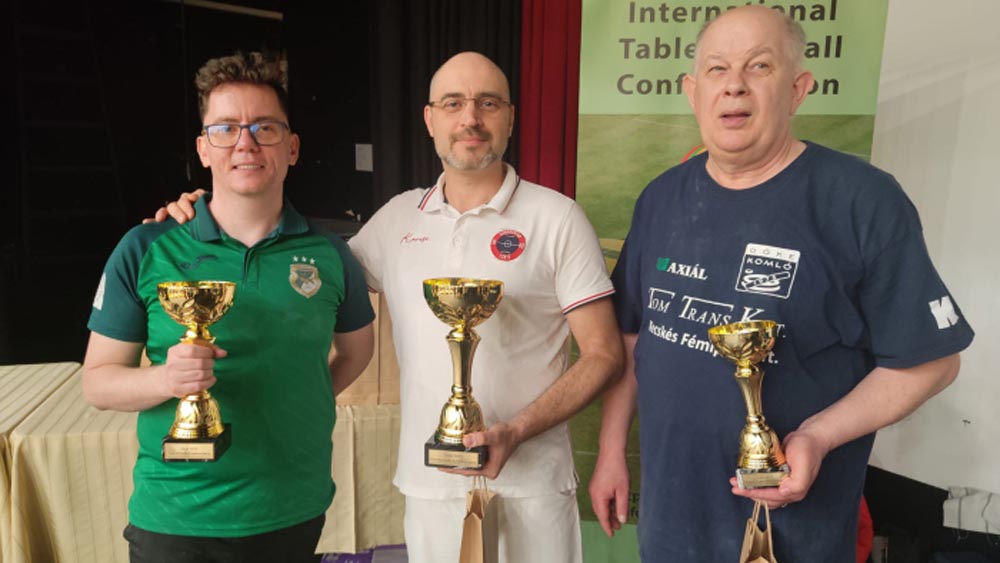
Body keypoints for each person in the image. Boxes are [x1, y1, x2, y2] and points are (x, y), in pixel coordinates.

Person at [154, 51, 624, 563]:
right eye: (453, 103)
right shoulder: (397, 219)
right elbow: (302, 278)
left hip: (532, 485)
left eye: (488, 103)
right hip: (430, 486)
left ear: (510, 117)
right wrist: (208, 212)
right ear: (430, 119)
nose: (470, 118)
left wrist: (516, 430)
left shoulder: (557, 217)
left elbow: (603, 355)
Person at [587, 6, 975, 562]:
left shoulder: (862, 200)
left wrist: (818, 435)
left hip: (795, 527)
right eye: (717, 69)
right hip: (671, 523)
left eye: (759, 66)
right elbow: (632, 338)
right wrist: (610, 452)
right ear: (693, 91)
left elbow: (933, 361)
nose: (734, 86)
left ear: (798, 89)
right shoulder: (662, 197)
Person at [83, 51, 375, 563]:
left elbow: (356, 351)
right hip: (177, 518)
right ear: (204, 148)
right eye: (226, 129)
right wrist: (167, 380)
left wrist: (300, 399)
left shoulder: (331, 254)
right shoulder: (146, 247)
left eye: (265, 128)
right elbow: (98, 383)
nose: (246, 143)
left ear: (292, 147)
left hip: (293, 509)